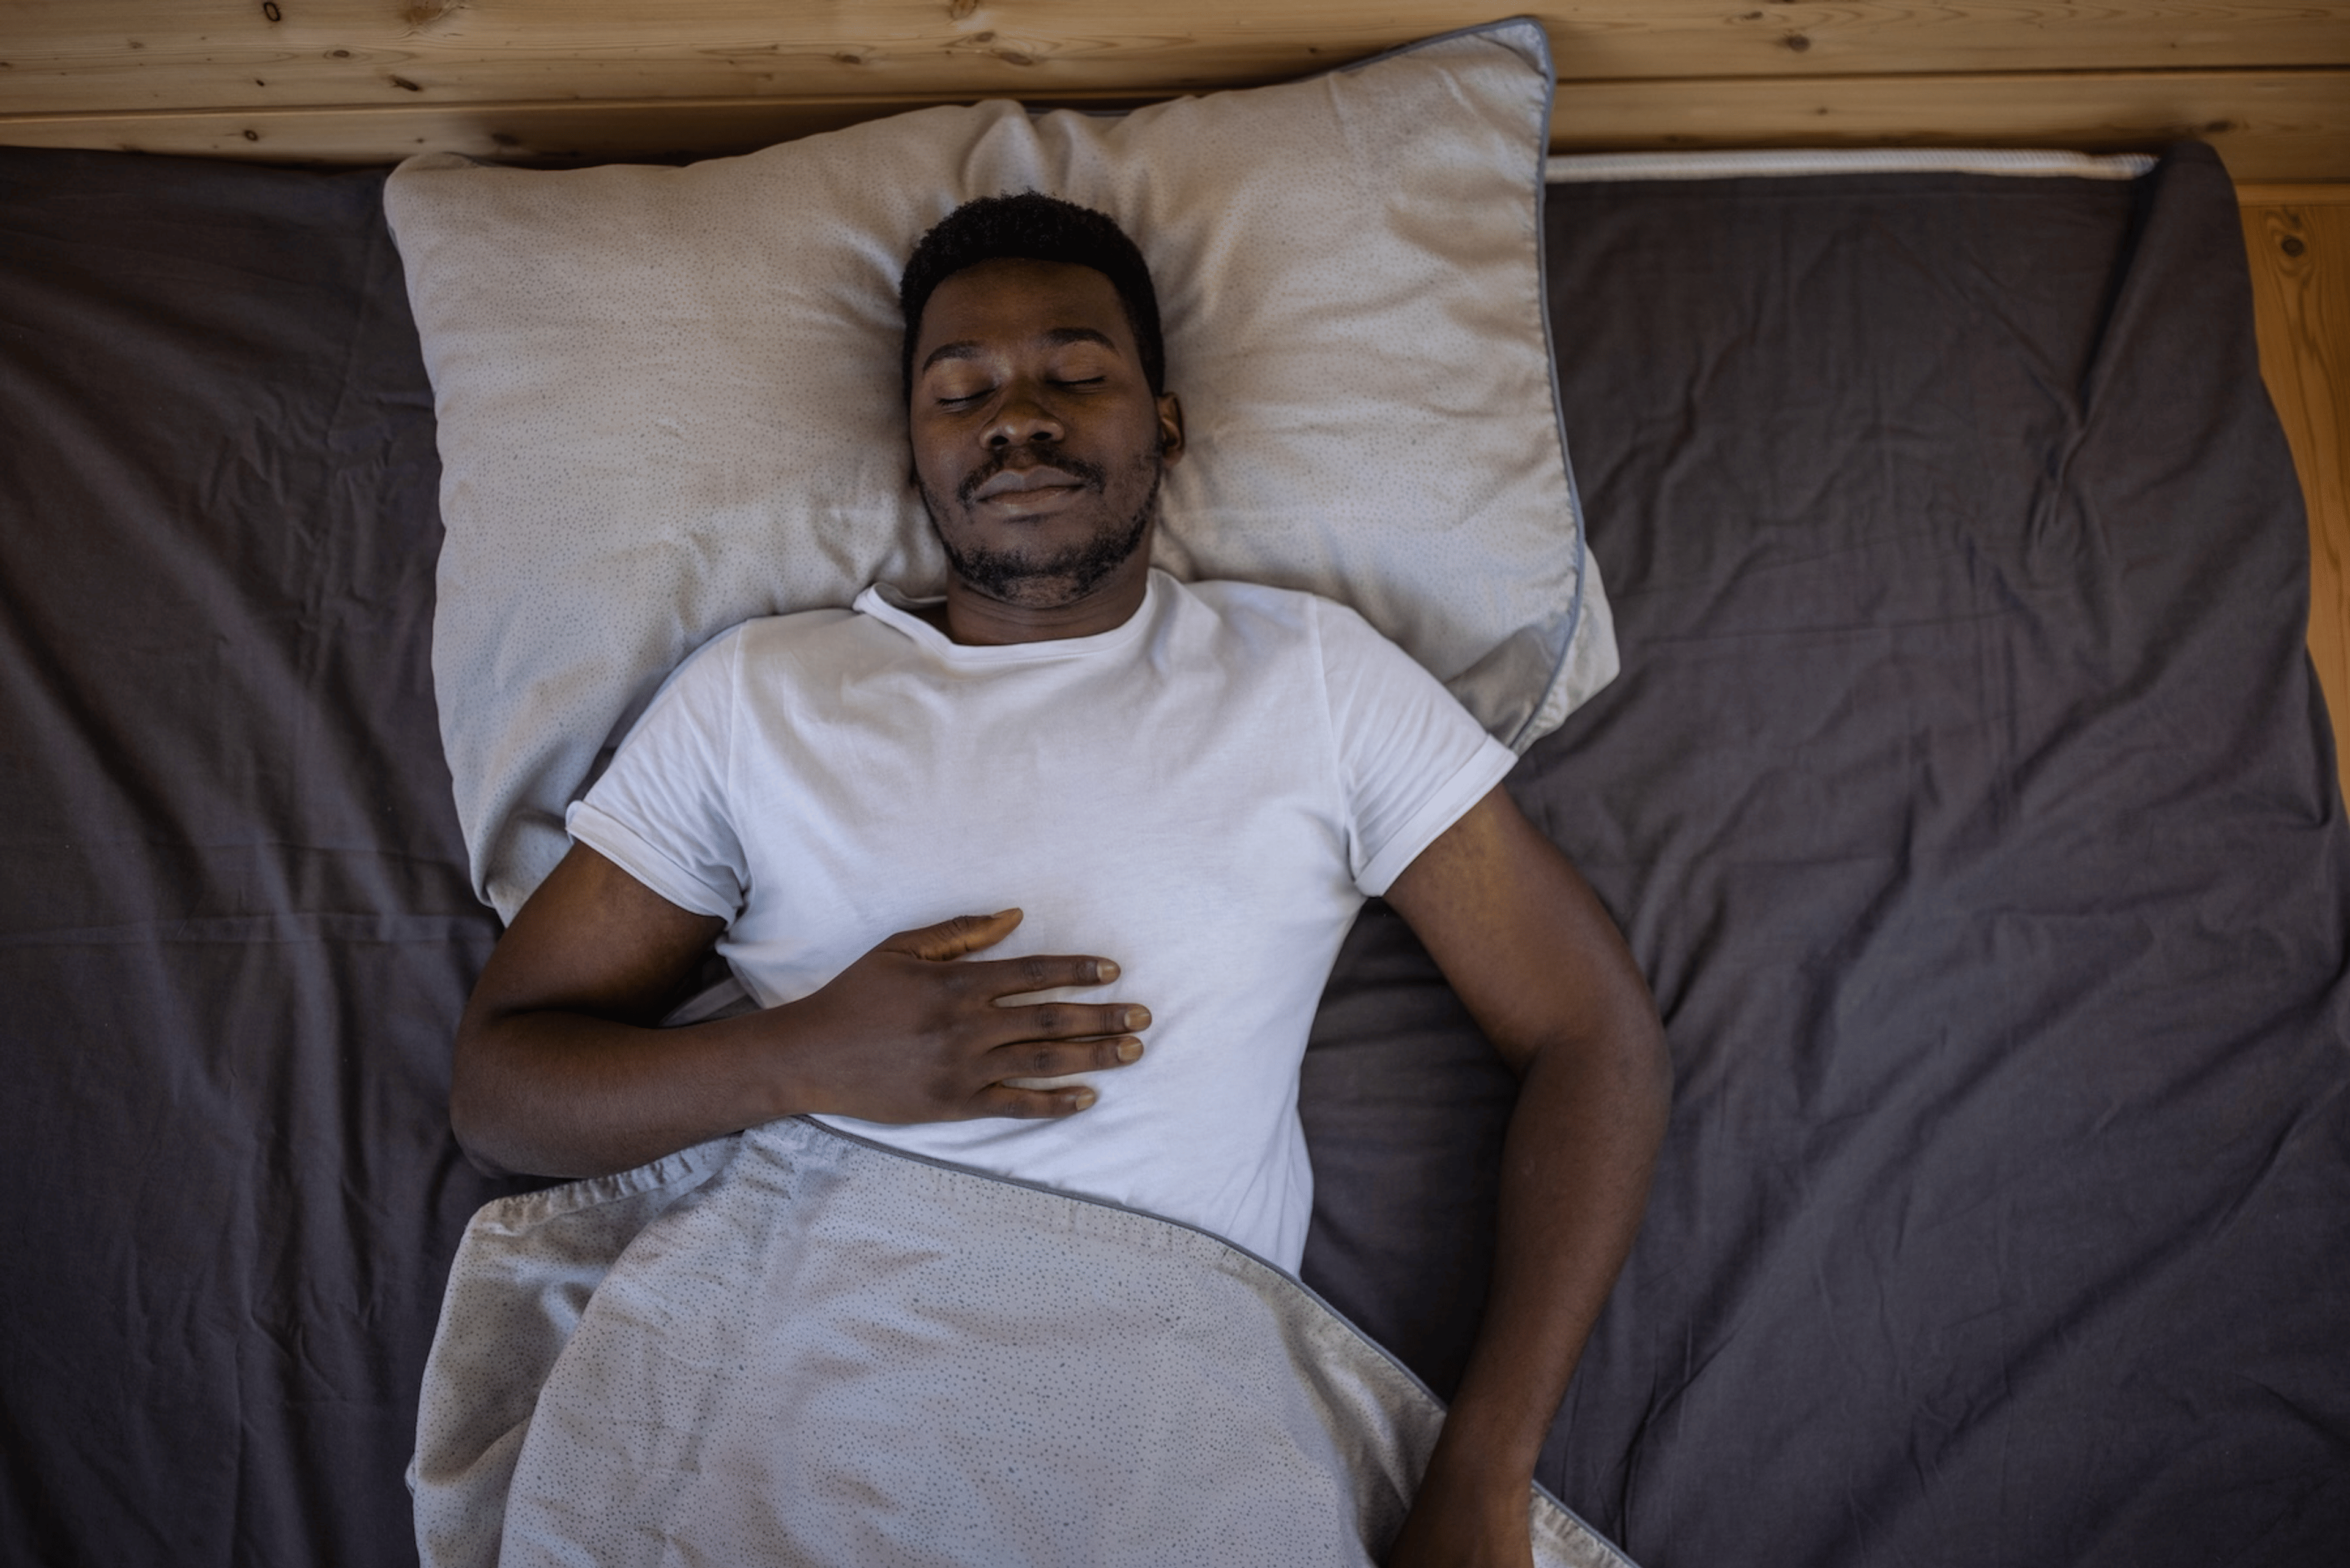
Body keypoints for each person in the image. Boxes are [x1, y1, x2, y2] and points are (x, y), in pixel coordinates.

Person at [450, 192, 1670, 1568]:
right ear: (915, 454)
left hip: (1166, 1423)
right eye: (959, 390)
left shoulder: (1311, 683)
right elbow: (502, 1088)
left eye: (1076, 374)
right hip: (804, 1404)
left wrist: (1484, 1471)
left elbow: (1592, 1034)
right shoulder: (762, 698)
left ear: (1165, 420)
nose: (1015, 417)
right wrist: (800, 1059)